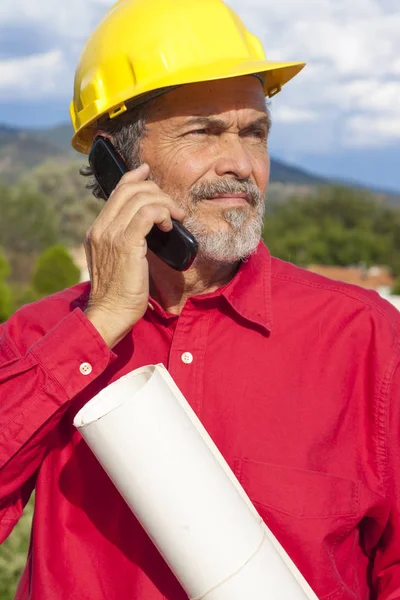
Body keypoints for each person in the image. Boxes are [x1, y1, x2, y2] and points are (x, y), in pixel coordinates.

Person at [1, 0, 400, 598]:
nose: (240, 163)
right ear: (117, 160)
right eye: (204, 132)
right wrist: (98, 326)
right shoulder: (40, 339)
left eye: (254, 132)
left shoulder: (362, 334)